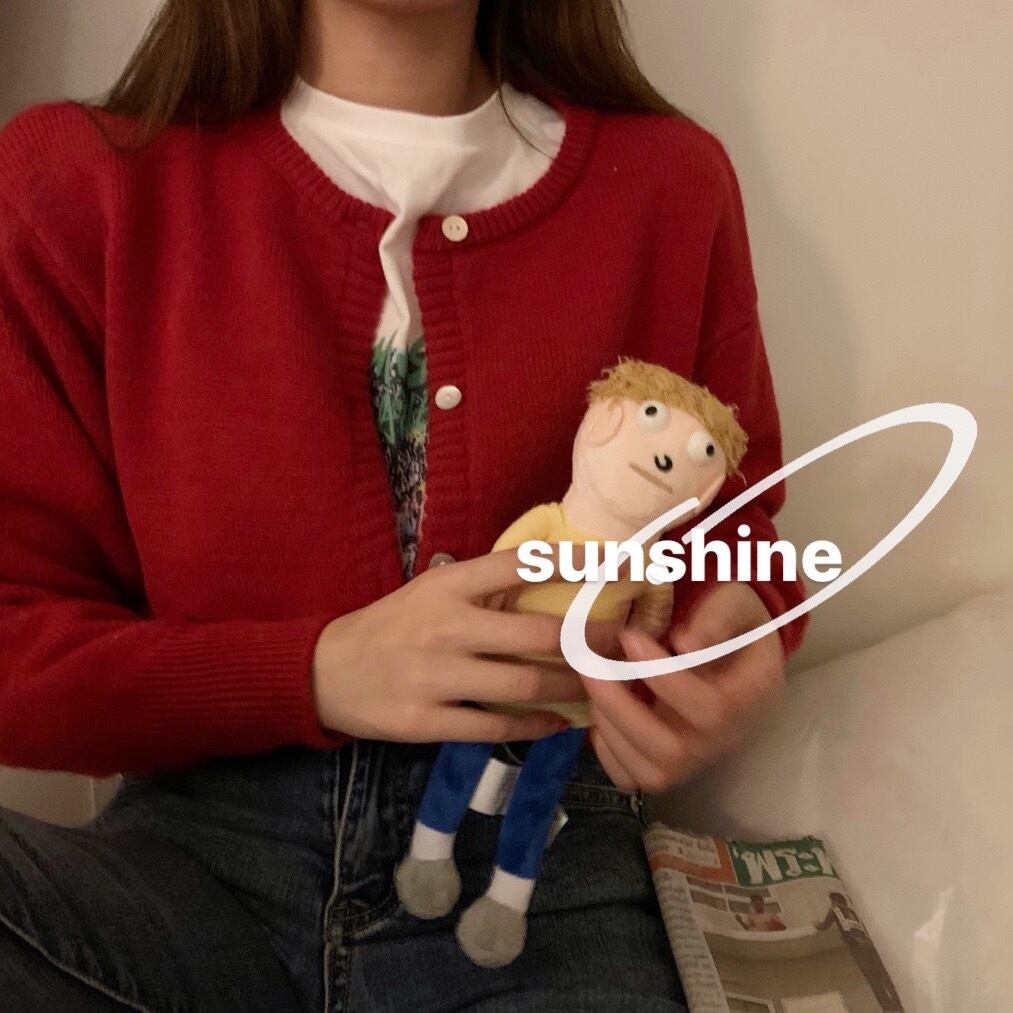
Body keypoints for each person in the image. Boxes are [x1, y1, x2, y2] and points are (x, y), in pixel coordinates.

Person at [0, 1, 806, 1009]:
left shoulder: (668, 183)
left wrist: (741, 631)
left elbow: (737, 531)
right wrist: (310, 671)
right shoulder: (78, 182)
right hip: (183, 873)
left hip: (532, 866)